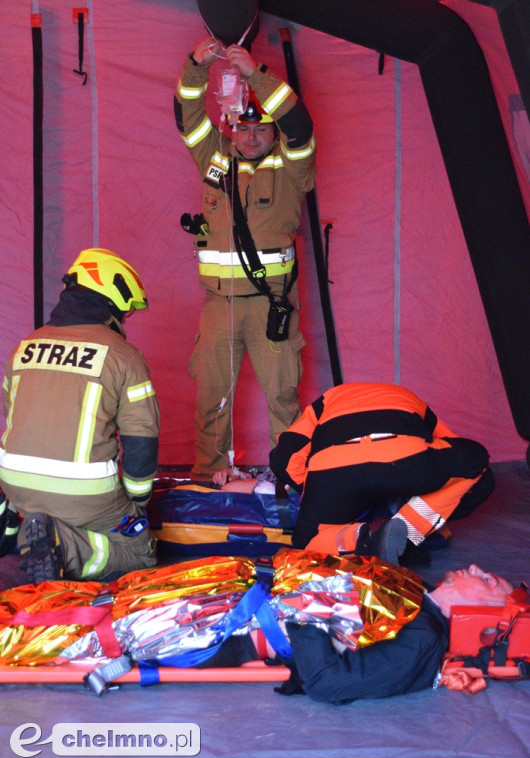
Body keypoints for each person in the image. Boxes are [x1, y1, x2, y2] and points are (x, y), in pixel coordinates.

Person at [175, 36, 316, 481]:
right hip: (218, 306)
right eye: (244, 128)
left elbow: (301, 122)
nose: (252, 137)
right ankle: (209, 477)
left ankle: (289, 479)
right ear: (232, 127)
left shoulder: (294, 165)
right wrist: (197, 66)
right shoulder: (214, 156)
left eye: (262, 129)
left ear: (274, 132)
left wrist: (255, 74)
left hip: (271, 305)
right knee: (212, 395)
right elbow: (187, 116)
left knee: (281, 396)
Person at [0, 248, 160, 584]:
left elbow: (12, 414)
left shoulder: (25, 345)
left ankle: (24, 532)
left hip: (15, 486)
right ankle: (62, 544)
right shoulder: (124, 356)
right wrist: (137, 504)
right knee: (141, 554)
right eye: (124, 313)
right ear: (112, 304)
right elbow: (141, 442)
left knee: (49, 512)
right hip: (89, 496)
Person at [205, 564, 514, 703]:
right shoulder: (415, 587)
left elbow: (327, 683)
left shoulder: (422, 640)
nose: (473, 566)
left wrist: (306, 608)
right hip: (240, 587)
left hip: (233, 629)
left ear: (483, 611)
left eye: (486, 580)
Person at [269, 382, 495, 559]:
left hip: (333, 471)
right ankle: (407, 528)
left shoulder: (324, 402)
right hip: (406, 461)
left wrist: (315, 490)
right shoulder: (408, 396)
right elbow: (448, 442)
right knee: (477, 465)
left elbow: (283, 458)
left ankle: (364, 539)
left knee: (307, 545)